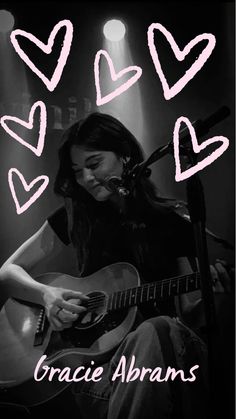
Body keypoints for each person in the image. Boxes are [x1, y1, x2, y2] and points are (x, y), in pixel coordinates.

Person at [0, 112, 231, 419]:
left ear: (124, 156)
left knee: (157, 328)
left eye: (94, 164)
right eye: (77, 171)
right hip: (95, 374)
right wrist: (47, 295)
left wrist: (215, 297)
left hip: (156, 362)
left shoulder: (172, 222)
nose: (85, 179)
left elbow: (188, 316)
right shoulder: (77, 215)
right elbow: (7, 272)